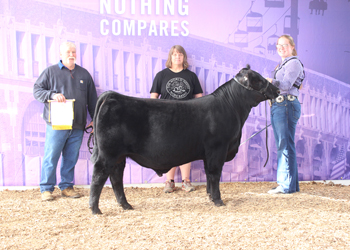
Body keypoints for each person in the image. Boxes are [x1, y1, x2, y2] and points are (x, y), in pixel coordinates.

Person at [33, 41, 97, 201]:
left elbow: (92, 100)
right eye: (68, 52)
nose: (71, 54)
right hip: (57, 124)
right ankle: (46, 189)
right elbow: (37, 91)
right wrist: (53, 95)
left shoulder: (84, 74)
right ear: (60, 55)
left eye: (74, 52)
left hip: (77, 125)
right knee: (51, 155)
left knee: (71, 157)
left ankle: (67, 187)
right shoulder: (50, 72)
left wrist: (95, 120)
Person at [150, 45, 203, 193]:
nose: (177, 57)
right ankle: (169, 181)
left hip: (187, 118)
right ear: (170, 57)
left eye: (180, 54)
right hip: (166, 119)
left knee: (186, 150)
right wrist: (155, 117)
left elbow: (199, 98)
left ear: (184, 58)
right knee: (168, 149)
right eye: (174, 54)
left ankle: (186, 181)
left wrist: (197, 116)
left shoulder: (191, 76)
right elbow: (153, 98)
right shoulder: (161, 75)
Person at [266, 35, 305, 194]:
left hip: (286, 104)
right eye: (279, 45)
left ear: (292, 47)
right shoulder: (284, 64)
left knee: (284, 145)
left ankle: (285, 185)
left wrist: (269, 81)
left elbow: (287, 85)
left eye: (285, 45)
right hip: (282, 104)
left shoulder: (294, 63)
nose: (281, 48)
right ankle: (291, 185)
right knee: (286, 144)